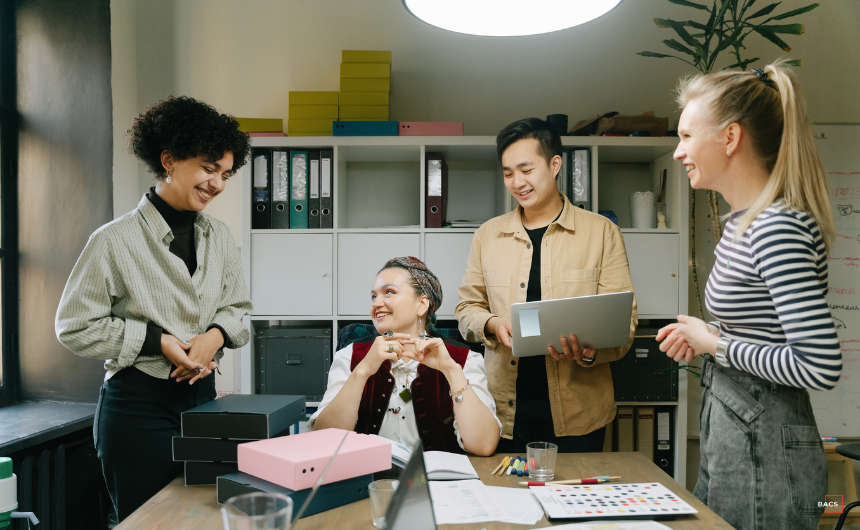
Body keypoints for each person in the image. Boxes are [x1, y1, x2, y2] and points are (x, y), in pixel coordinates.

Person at [657, 60, 841, 530]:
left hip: (767, 451)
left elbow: (819, 364)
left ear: (731, 138)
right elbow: (767, 330)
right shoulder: (743, 223)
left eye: (685, 136)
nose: (678, 152)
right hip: (738, 433)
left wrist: (714, 344)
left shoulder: (776, 227)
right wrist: (706, 336)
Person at [55, 96, 253, 521]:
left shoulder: (219, 236)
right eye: (207, 167)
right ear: (169, 160)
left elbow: (239, 309)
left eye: (225, 173)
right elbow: (73, 326)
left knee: (203, 521)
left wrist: (213, 338)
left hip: (203, 404)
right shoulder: (114, 240)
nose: (216, 183)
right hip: (137, 410)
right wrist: (156, 341)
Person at [456, 118, 637, 453]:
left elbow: (623, 325)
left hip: (580, 413)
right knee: (506, 503)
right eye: (508, 172)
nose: (516, 182)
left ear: (555, 164)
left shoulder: (601, 232)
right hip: (502, 410)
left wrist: (588, 351)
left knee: (574, 503)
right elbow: (467, 309)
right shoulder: (487, 236)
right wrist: (493, 324)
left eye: (526, 169)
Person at [309, 257, 501, 456]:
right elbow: (324, 440)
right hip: (369, 484)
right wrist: (362, 371)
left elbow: (484, 445)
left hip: (437, 484)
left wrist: (451, 371)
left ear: (422, 304)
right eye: (373, 296)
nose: (377, 303)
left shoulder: (464, 359)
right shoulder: (349, 356)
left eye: (389, 292)